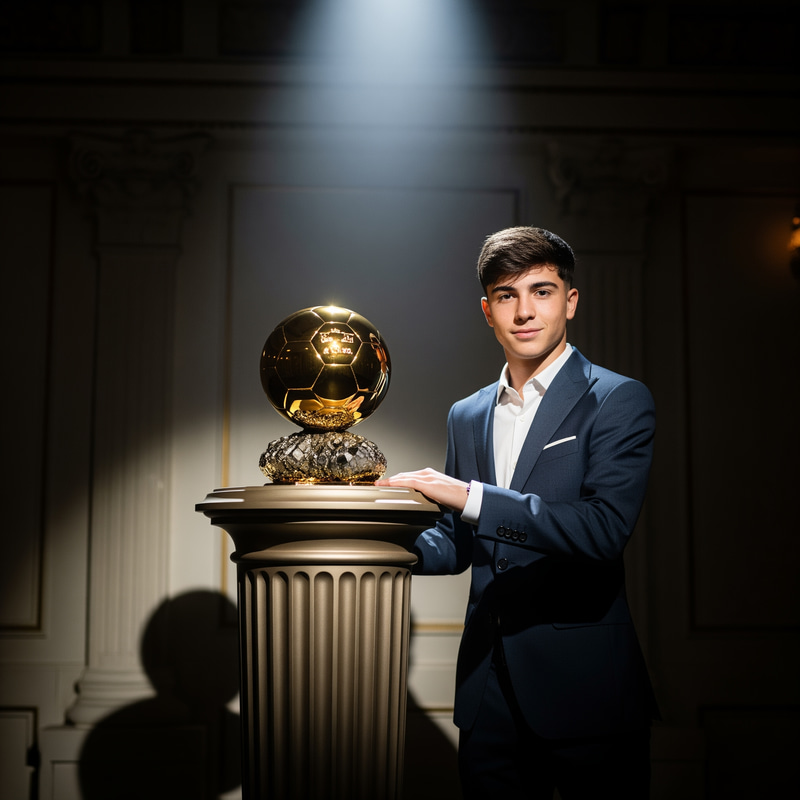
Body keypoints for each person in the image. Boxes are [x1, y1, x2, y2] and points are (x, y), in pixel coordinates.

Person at [376, 226, 658, 799]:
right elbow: (458, 544)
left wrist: (470, 496)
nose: (525, 311)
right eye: (507, 296)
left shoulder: (617, 399)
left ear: (570, 301)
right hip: (488, 693)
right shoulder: (467, 413)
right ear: (487, 311)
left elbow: (603, 530)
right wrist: (374, 538)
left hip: (586, 694)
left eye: (543, 291)